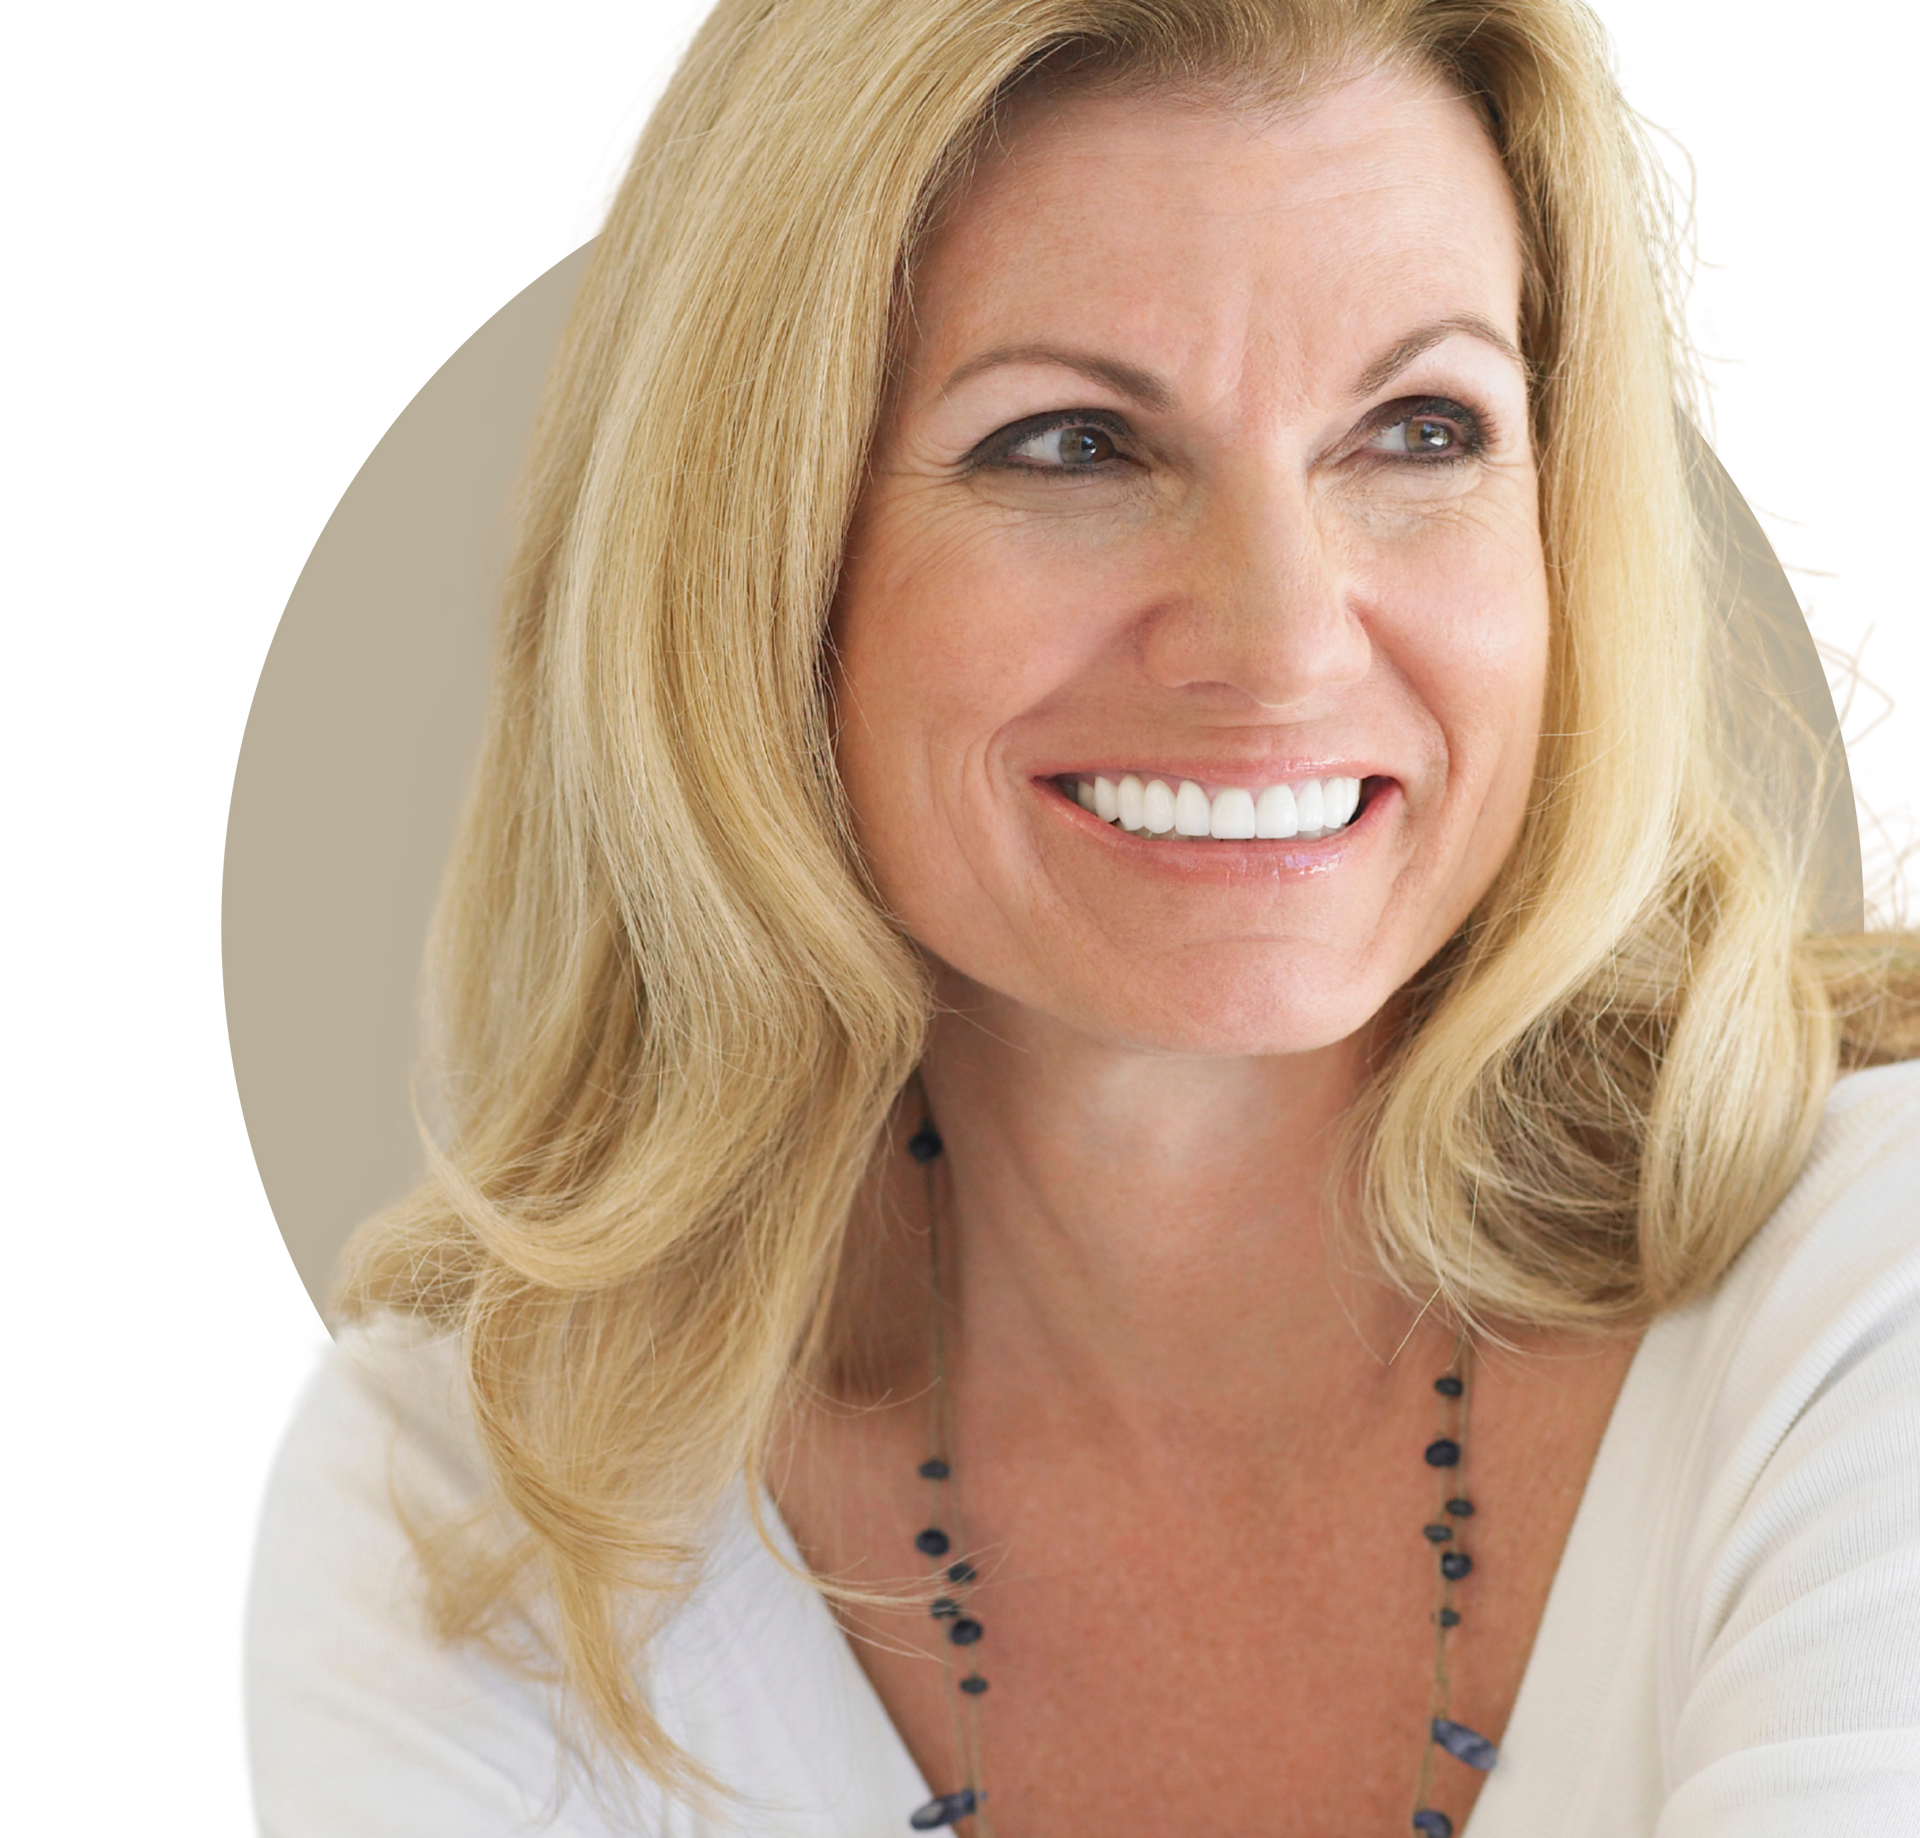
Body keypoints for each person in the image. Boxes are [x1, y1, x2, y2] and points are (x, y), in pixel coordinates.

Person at [234, 2, 1920, 1833]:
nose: (1279, 639)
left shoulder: (1870, 1291)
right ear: (759, 564)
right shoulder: (465, 1509)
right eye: (1071, 445)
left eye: (1421, 427)